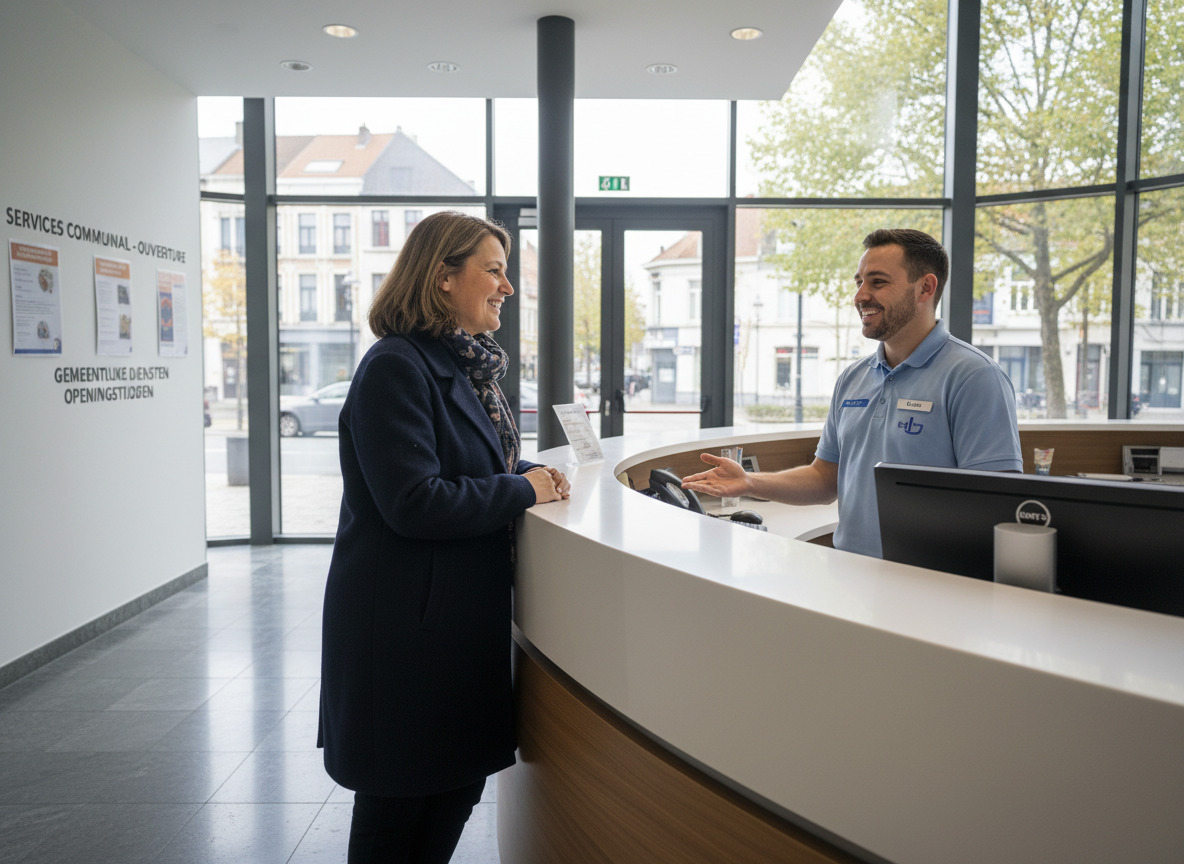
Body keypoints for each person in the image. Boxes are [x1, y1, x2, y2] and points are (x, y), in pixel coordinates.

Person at [318, 211, 570, 863]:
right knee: (399, 814)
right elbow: (415, 501)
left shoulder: (461, 366)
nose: (507, 287)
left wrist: (526, 472)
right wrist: (522, 489)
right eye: (494, 271)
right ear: (442, 278)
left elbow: (467, 463)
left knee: (450, 794)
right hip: (406, 635)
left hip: (447, 629)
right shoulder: (395, 367)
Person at [683, 228, 1022, 558]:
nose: (860, 296)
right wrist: (749, 482)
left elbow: (994, 504)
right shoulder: (853, 378)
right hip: (850, 570)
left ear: (925, 288)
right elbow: (824, 479)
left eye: (878, 282)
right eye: (859, 282)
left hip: (931, 580)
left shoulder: (974, 377)